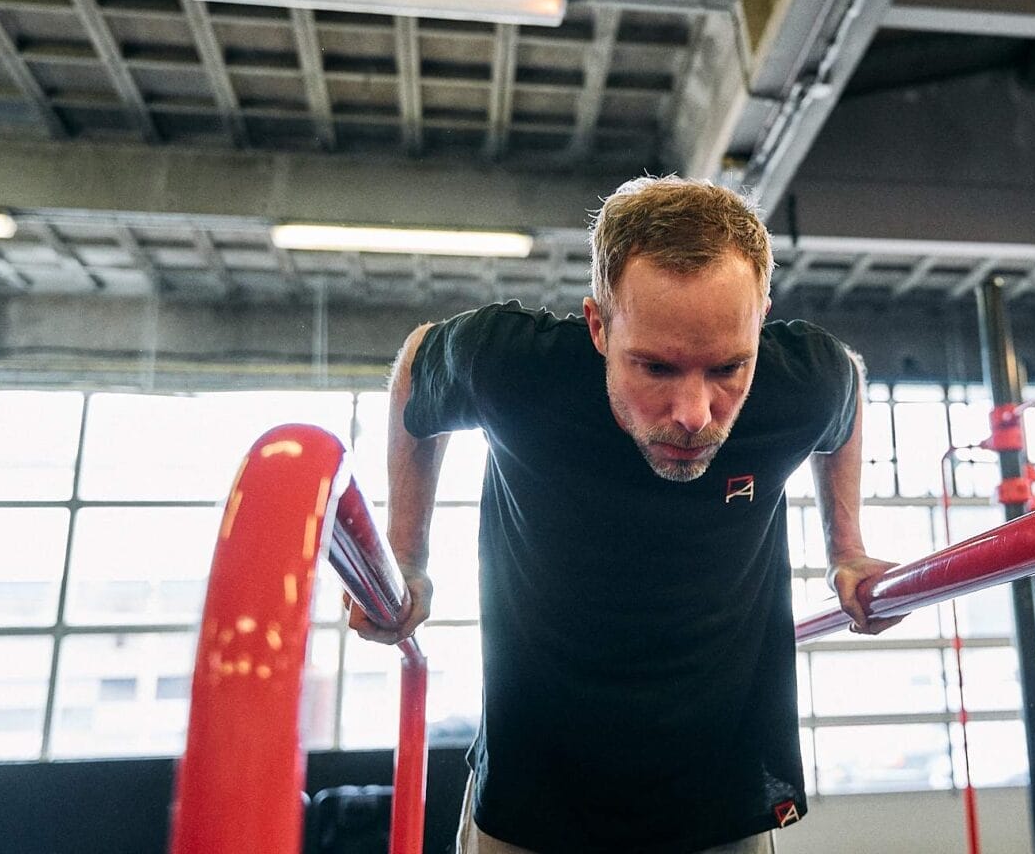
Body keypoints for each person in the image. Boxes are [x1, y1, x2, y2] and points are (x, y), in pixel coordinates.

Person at [349, 175, 901, 854]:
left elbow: (843, 384)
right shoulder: (520, 370)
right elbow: (417, 367)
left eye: (728, 367)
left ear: (759, 320)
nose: (694, 414)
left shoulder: (795, 382)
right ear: (598, 326)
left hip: (719, 798)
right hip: (535, 797)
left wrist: (847, 548)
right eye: (657, 368)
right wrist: (407, 558)